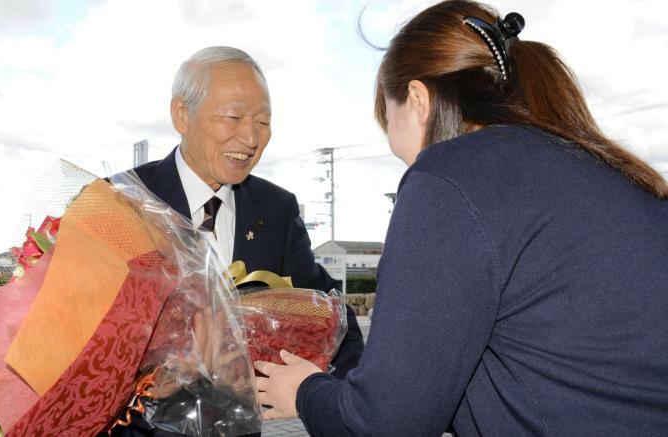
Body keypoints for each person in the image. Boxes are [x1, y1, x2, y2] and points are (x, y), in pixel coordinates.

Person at [254, 1, 668, 435]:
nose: (405, 161)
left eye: (388, 122)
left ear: (417, 100)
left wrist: (303, 390)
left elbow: (386, 422)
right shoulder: (613, 172)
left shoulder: (450, 176)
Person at [113, 46, 364, 436]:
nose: (250, 138)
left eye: (263, 122)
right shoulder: (121, 200)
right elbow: (80, 348)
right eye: (233, 117)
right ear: (182, 114)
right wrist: (163, 368)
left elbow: (325, 312)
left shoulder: (277, 209)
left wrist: (350, 405)